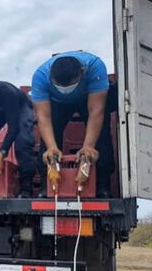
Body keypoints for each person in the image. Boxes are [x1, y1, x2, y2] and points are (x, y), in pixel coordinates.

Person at [31, 51, 115, 197]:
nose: (65, 90)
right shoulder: (40, 75)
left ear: (82, 73)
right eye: (60, 85)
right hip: (57, 104)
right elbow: (43, 117)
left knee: (101, 137)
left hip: (87, 98)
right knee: (48, 143)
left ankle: (102, 186)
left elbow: (96, 111)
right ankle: (47, 186)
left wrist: (88, 147)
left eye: (70, 85)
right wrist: (52, 147)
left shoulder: (95, 67)